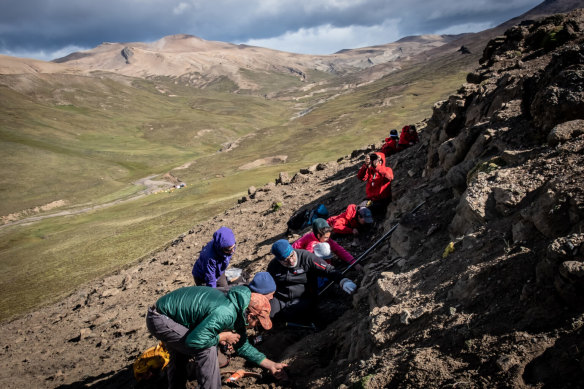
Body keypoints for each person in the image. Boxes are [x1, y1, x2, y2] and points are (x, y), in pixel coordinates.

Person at [146, 286, 287, 389]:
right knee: (207, 349)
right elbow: (194, 341)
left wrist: (271, 365)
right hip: (160, 318)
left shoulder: (238, 306)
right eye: (257, 322)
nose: (256, 326)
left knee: (180, 354)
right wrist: (221, 337)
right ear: (250, 316)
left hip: (172, 316)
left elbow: (242, 345)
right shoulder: (226, 313)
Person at [267, 239, 357, 323]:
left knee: (293, 311)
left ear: (293, 250)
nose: (291, 261)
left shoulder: (307, 258)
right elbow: (267, 285)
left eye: (291, 256)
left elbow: (328, 270)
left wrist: (343, 281)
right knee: (269, 313)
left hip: (304, 297)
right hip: (281, 297)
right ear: (279, 260)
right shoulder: (273, 266)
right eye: (285, 261)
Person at [291, 218, 356, 267]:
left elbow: (339, 249)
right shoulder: (308, 241)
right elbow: (292, 251)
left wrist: (353, 262)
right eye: (326, 237)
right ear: (319, 235)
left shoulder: (326, 239)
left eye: (328, 237)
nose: (328, 240)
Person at [357, 152, 394, 220]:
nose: (375, 161)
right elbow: (360, 177)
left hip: (382, 201)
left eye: (377, 160)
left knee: (366, 212)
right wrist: (365, 165)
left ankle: (372, 224)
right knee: (358, 209)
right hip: (371, 199)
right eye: (373, 159)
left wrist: (378, 167)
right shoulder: (370, 170)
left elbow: (389, 178)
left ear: (381, 161)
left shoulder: (387, 169)